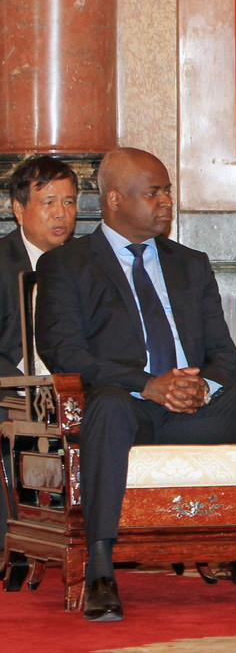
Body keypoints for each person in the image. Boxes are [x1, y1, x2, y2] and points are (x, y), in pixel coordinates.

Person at [34, 147, 236, 621]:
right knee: (106, 408)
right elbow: (66, 354)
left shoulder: (190, 263)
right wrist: (148, 384)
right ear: (116, 200)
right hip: (129, 408)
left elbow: (224, 353)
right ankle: (100, 572)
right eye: (153, 193)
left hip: (198, 407)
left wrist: (204, 387)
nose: (166, 202)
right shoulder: (68, 264)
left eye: (168, 191)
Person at [0, 156, 78, 548]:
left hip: (75, 385)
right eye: (48, 202)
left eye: (69, 202)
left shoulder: (88, 263)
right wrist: (22, 387)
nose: (61, 214)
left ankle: (95, 535)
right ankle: (12, 539)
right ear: (18, 209)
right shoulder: (0, 261)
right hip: (11, 388)